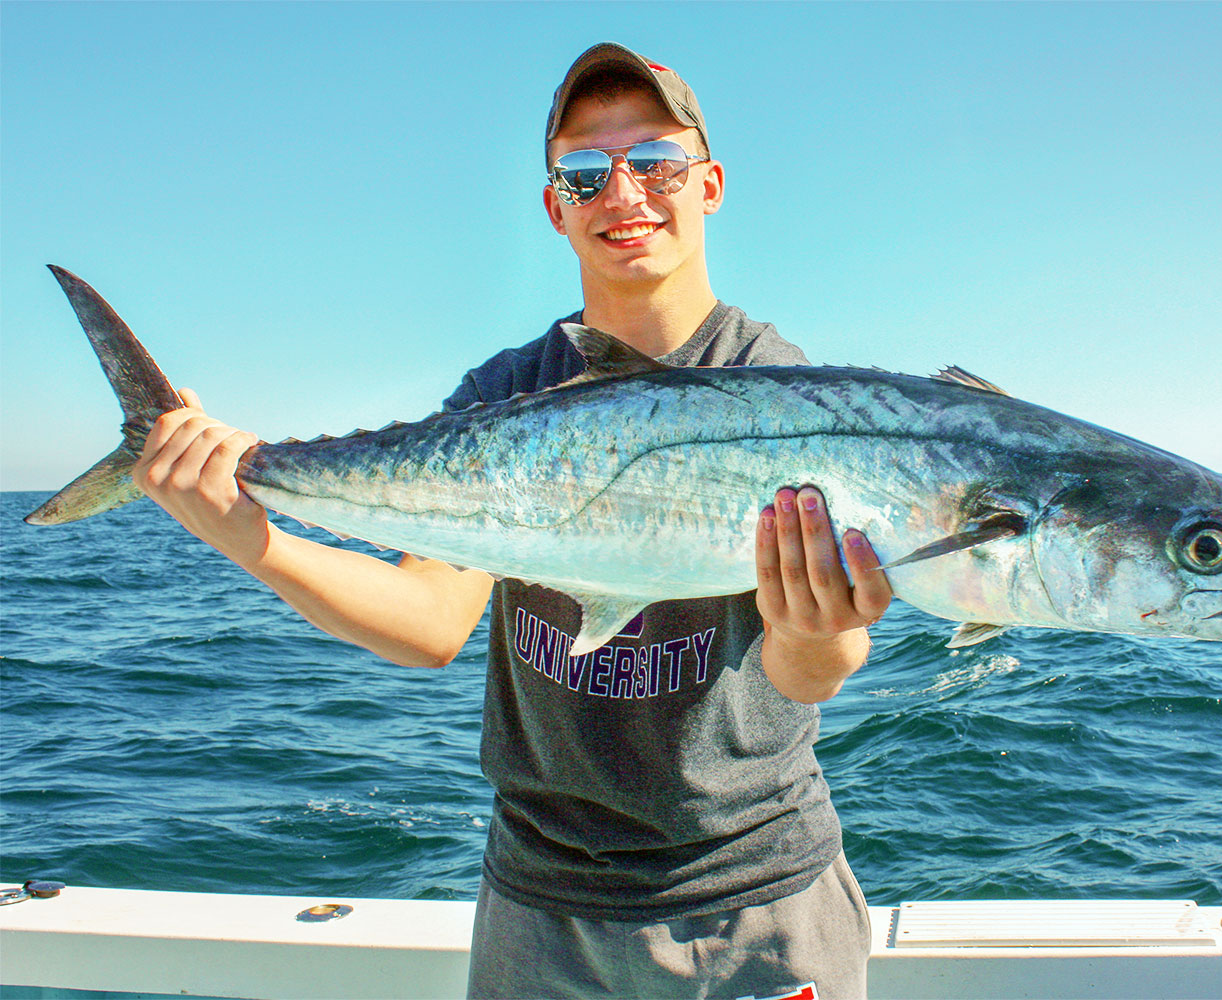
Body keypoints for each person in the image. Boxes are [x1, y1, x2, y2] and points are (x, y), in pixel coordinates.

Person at [132, 41, 890, 1000]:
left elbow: (806, 670)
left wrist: (816, 633)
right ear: (555, 206)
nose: (625, 192)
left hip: (757, 904)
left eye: (655, 161)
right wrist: (256, 538)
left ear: (710, 184)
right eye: (586, 170)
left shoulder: (788, 394)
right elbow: (431, 621)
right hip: (540, 912)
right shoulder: (504, 392)